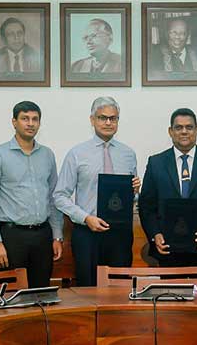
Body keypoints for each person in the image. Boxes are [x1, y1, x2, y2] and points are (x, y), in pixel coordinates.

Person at [137, 108, 197, 280]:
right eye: (178, 127)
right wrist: (155, 235)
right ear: (170, 131)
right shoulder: (156, 163)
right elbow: (146, 206)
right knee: (170, 296)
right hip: (169, 249)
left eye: (189, 127)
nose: (184, 131)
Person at [53, 97, 140, 287]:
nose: (108, 122)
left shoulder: (128, 154)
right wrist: (85, 218)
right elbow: (59, 196)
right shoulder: (77, 154)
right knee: (87, 290)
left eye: (113, 118)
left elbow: (131, 198)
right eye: (102, 118)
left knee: (119, 290)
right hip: (87, 233)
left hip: (120, 234)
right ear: (92, 120)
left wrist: (135, 192)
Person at [0, 101, 64, 288]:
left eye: (35, 119)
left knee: (41, 293)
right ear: (14, 122)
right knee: (12, 294)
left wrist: (57, 236)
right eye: (25, 118)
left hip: (42, 235)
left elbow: (53, 198)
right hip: (12, 236)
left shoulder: (47, 155)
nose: (30, 123)